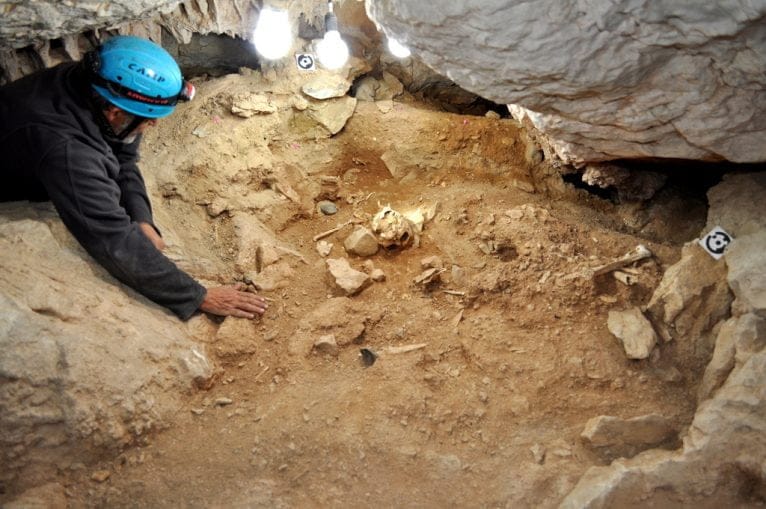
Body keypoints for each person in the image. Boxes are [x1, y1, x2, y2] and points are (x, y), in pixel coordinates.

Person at [0, 35, 267, 320]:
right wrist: (198, 295)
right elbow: (111, 240)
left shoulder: (95, 88)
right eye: (148, 119)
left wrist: (141, 217)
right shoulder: (67, 151)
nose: (152, 125)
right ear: (115, 112)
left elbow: (123, 157)